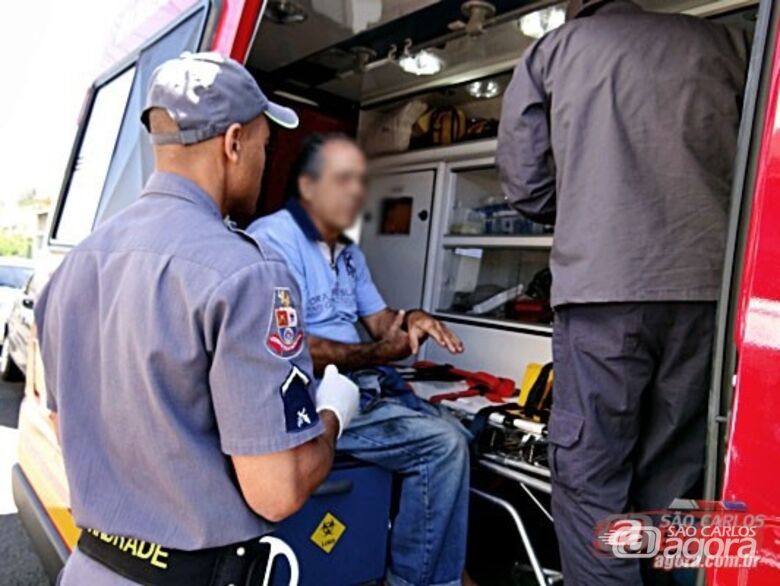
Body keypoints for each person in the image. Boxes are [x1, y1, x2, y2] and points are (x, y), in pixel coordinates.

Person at [34, 52, 360, 586]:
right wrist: (333, 416)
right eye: (262, 145)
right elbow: (277, 491)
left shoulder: (74, 266)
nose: (262, 162)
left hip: (89, 568)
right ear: (234, 143)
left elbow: (65, 426)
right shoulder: (248, 274)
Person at [496, 1, 750, 584]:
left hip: (602, 294)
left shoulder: (554, 51)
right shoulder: (727, 44)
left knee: (590, 482)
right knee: (670, 486)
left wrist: (594, 205)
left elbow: (526, 185)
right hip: (708, 292)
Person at [248, 133, 472, 586]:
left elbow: (379, 321)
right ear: (308, 186)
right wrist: (376, 352)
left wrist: (412, 319)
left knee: (464, 428)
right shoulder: (273, 240)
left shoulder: (348, 252)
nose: (357, 193)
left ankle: (430, 564)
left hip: (364, 386)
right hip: (314, 399)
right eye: (343, 180)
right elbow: (288, 348)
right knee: (442, 446)